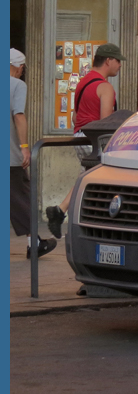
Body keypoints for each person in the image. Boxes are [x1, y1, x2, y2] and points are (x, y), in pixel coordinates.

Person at [45, 43, 124, 237]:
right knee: (104, 180)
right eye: (118, 61)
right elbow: (106, 122)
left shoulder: (83, 82)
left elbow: (75, 116)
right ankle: (90, 222)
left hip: (80, 136)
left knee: (86, 177)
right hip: (95, 139)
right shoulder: (104, 87)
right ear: (108, 61)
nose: (120, 65)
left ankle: (61, 210)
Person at [10, 49, 57, 257]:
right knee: (22, 196)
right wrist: (25, 147)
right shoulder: (17, 85)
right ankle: (34, 242)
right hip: (10, 155)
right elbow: (19, 116)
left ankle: (35, 241)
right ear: (19, 67)